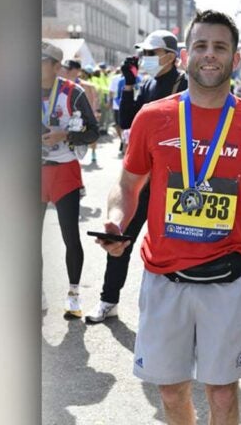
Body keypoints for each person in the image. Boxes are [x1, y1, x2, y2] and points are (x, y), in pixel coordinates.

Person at [97, 10, 241, 424]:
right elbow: (128, 186)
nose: (209, 55)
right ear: (185, 55)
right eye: (201, 45)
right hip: (165, 278)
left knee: (222, 394)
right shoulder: (153, 117)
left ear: (235, 59)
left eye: (220, 47)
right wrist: (117, 221)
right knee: (170, 392)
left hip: (229, 280)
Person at [84, 29, 187, 323]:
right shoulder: (146, 83)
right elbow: (126, 121)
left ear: (170, 55)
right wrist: (128, 85)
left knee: (171, 246)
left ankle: (172, 314)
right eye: (143, 53)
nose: (146, 59)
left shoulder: (185, 84)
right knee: (120, 238)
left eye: (151, 53)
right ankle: (108, 300)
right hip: (141, 179)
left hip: (174, 182)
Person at [40, 41, 99, 319]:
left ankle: (74, 293)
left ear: (55, 66)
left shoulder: (72, 92)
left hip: (64, 170)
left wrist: (65, 135)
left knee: (69, 236)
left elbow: (93, 131)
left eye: (41, 62)